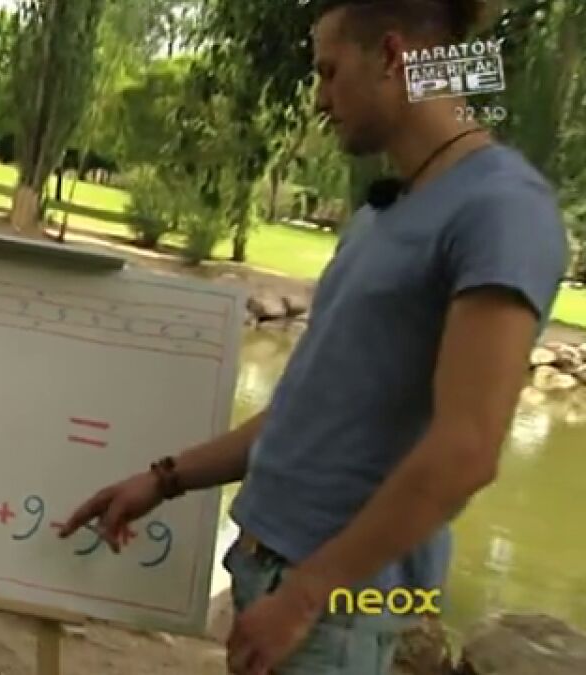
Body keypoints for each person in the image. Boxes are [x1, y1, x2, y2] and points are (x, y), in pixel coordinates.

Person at [58, 0, 569, 673]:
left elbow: (466, 451)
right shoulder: (384, 213)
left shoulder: (502, 209)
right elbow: (306, 411)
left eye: (329, 72)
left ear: (391, 57)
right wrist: (165, 479)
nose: (320, 101)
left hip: (341, 607)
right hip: (273, 573)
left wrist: (304, 597)